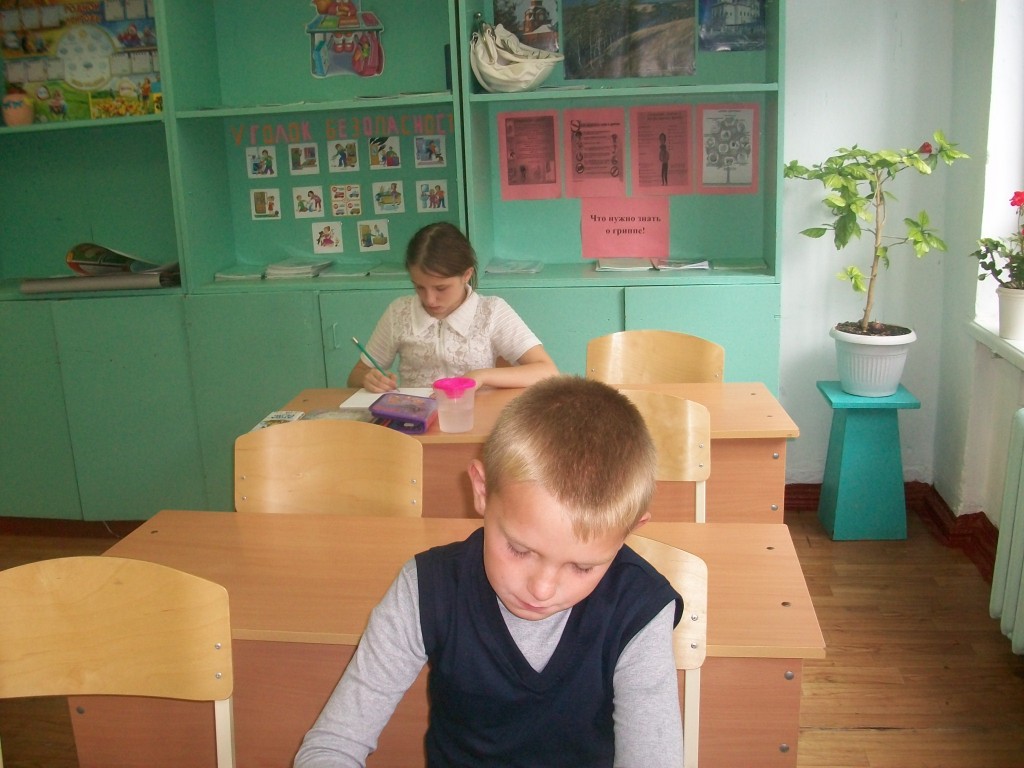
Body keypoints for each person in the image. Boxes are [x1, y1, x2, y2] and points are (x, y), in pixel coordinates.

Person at [293, 376, 685, 767]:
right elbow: (333, 746)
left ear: (629, 532)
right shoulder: (427, 589)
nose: (542, 589)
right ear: (481, 491)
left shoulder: (639, 611)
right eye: (519, 550)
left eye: (582, 567)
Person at [347, 222, 558, 392]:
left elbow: (547, 372)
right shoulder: (399, 312)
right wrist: (368, 378)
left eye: (441, 288)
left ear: (466, 275)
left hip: (475, 416)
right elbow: (355, 376)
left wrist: (482, 376)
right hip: (415, 418)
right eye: (419, 287)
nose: (429, 300)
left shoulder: (491, 311)